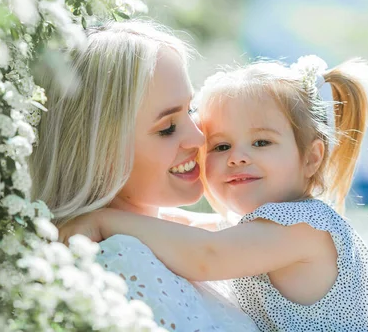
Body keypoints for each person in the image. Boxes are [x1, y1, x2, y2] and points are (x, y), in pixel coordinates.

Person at [60, 56, 368, 331]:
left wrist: (104, 219)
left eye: (261, 142)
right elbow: (202, 230)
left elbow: (207, 254)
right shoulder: (266, 228)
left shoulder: (306, 227)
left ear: (311, 158)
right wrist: (155, 217)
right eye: (221, 145)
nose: (237, 157)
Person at [29, 20, 259, 331]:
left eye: (191, 111)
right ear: (98, 150)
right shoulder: (120, 263)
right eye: (166, 128)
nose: (198, 138)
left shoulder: (184, 235)